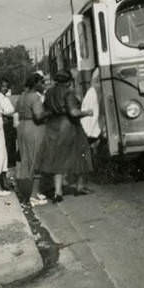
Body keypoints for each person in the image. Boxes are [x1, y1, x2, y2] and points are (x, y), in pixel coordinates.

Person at [36, 69, 94, 203]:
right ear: (68, 82)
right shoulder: (68, 92)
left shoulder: (49, 92)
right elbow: (73, 112)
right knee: (81, 155)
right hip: (69, 126)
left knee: (58, 159)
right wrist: (87, 112)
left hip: (52, 127)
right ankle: (80, 187)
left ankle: (58, 192)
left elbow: (46, 110)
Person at [15, 73, 48, 207]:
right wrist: (50, 112)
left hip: (22, 128)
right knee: (37, 159)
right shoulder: (35, 97)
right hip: (34, 128)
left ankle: (31, 192)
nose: (43, 85)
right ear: (36, 83)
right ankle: (33, 196)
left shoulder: (22, 96)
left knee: (27, 160)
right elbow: (39, 115)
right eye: (41, 82)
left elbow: (17, 111)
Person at [1, 78, 18, 189]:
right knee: (7, 152)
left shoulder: (5, 98)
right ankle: (7, 179)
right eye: (3, 86)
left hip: (10, 127)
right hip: (5, 127)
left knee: (11, 152)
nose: (5, 88)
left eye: (6, 86)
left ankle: (10, 177)